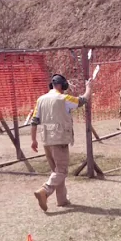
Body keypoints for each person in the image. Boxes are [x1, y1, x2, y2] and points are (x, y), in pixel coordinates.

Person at [30, 74, 93, 212]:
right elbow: (82, 100)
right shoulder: (64, 98)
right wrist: (89, 87)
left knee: (56, 171)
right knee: (62, 170)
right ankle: (44, 191)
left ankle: (62, 200)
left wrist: (33, 140)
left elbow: (34, 120)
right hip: (59, 138)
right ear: (60, 85)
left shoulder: (40, 99)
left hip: (46, 139)